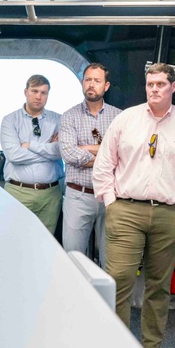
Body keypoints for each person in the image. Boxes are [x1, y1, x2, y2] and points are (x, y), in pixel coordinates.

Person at [92, 62, 175, 348]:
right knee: (118, 280)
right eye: (150, 84)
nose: (155, 89)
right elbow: (105, 164)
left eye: (161, 84)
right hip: (126, 211)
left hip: (172, 215)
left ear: (173, 87)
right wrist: (110, 203)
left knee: (158, 286)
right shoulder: (126, 120)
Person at [59, 63, 121, 266]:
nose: (91, 85)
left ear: (107, 86)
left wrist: (86, 148)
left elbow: (123, 155)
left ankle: (107, 299)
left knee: (112, 261)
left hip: (111, 198)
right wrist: (105, 157)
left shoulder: (120, 117)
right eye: (88, 80)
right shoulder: (69, 116)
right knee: (73, 259)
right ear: (82, 83)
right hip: (78, 196)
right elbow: (69, 154)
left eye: (97, 80)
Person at [1, 74, 64, 231]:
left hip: (50, 194)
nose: (38, 96)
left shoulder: (59, 120)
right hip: (18, 192)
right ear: (25, 92)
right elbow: (14, 155)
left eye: (43, 93)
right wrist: (48, 147)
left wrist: (30, 146)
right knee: (15, 242)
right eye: (34, 91)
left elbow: (61, 151)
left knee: (46, 245)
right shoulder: (10, 120)